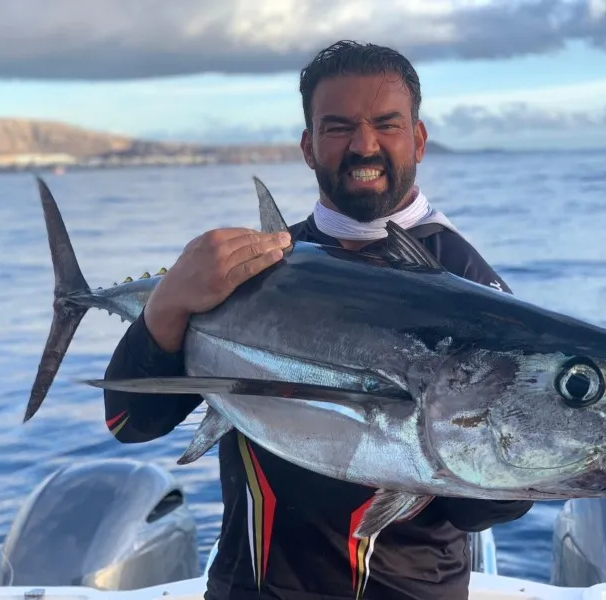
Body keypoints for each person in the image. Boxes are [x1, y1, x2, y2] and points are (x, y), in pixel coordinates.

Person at [103, 40, 534, 600]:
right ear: (308, 147)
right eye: (338, 127)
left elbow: (488, 506)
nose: (364, 145)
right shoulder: (249, 269)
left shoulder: (467, 282)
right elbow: (130, 424)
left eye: (386, 124)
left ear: (419, 139)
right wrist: (168, 306)